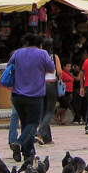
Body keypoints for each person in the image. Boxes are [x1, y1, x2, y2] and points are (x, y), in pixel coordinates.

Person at [7, 33, 55, 162]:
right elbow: (52, 69)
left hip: (17, 94)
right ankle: (19, 143)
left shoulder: (18, 53)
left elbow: (9, 67)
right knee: (33, 123)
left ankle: (28, 153)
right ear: (40, 44)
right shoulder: (42, 53)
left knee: (25, 123)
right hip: (35, 95)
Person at [35, 39, 62, 145]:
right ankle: (40, 132)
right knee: (50, 111)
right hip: (51, 85)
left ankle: (47, 138)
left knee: (42, 111)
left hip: (40, 85)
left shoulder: (38, 57)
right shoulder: (54, 57)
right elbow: (59, 72)